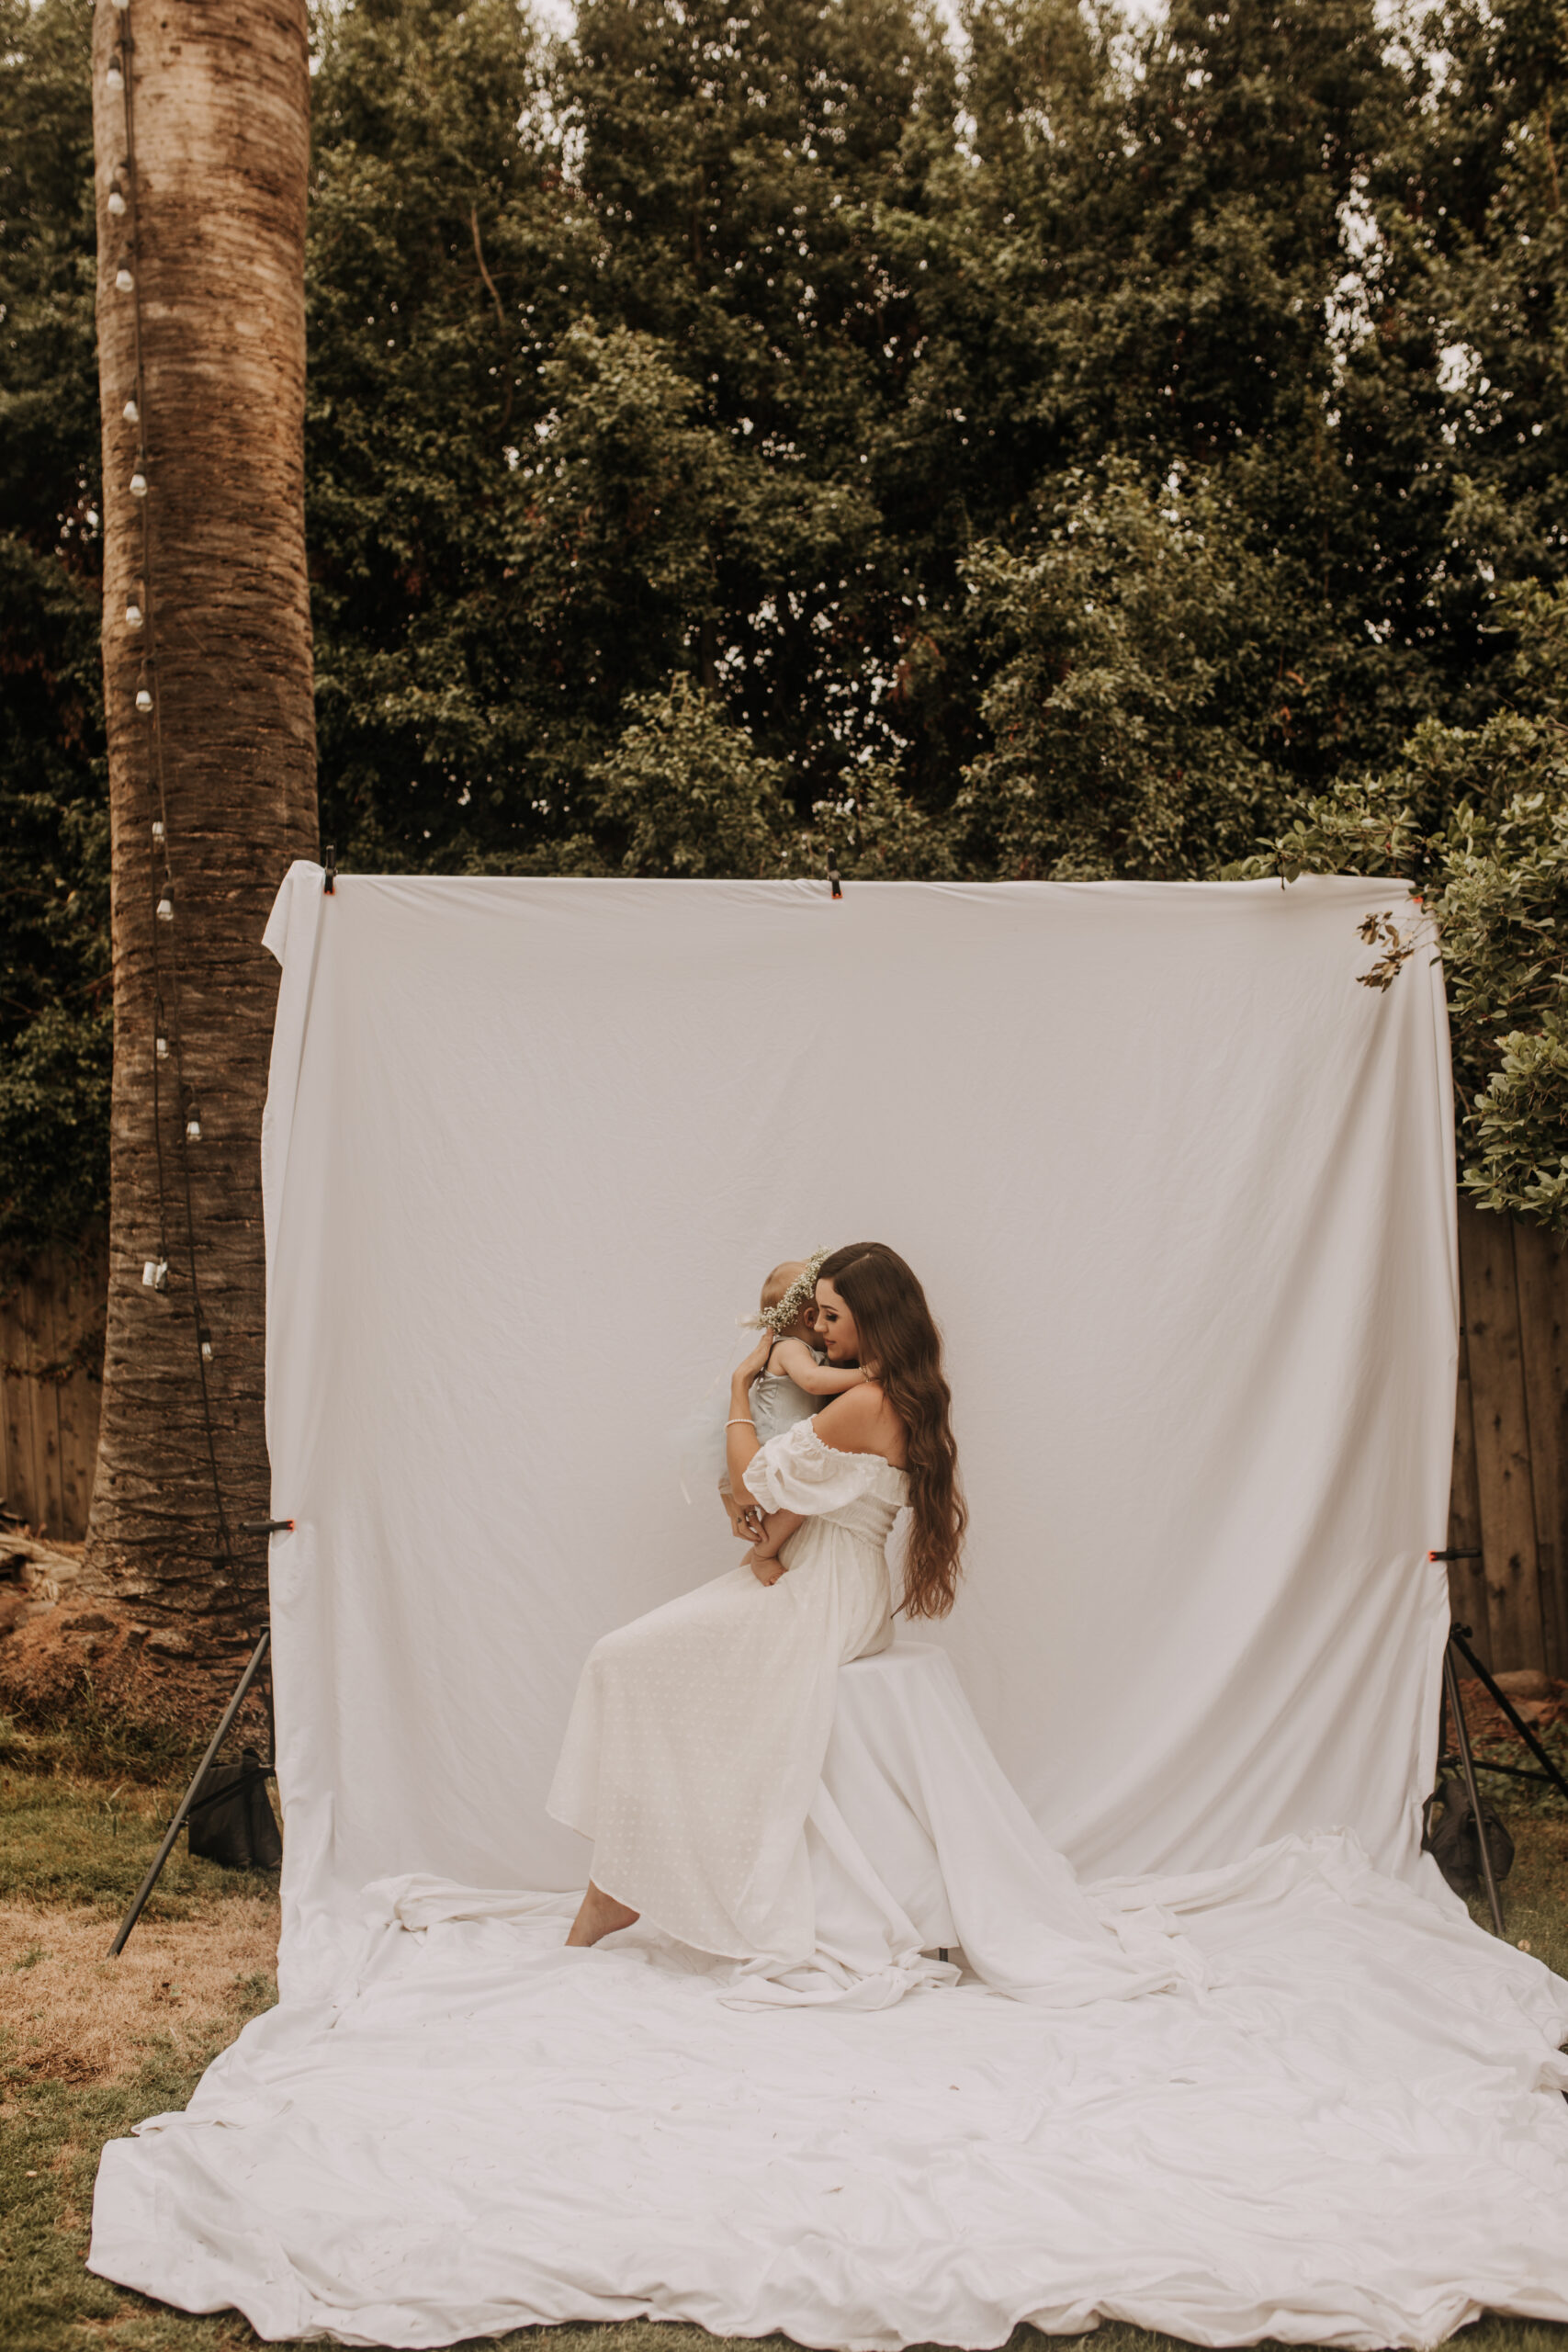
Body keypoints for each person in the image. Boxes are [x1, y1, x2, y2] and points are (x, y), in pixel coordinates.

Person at [548, 1242, 966, 1960]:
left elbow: (750, 1485)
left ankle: (618, 1887)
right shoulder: (881, 1395)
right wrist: (767, 1538)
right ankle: (623, 1880)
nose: (818, 1330)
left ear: (872, 1319)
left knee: (622, 1658)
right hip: (829, 1576)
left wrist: (743, 1387)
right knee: (638, 1664)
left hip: (825, 1590)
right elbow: (812, 1499)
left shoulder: (863, 1402)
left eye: (832, 1317)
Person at [716, 1252, 874, 1540]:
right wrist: (866, 1373)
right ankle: (763, 1557)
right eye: (826, 1314)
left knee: (792, 1513)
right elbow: (813, 1382)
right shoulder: (789, 1348)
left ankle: (764, 1555)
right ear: (810, 1317)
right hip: (769, 1445)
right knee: (788, 1511)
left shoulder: (809, 1353)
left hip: (784, 1446)